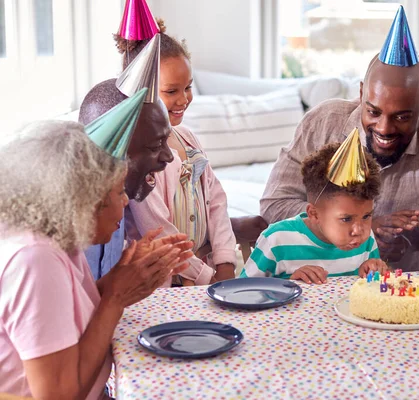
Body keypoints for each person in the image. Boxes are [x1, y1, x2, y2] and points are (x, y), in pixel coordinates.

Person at [260, 6, 419, 271]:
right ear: (362, 92)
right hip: (312, 288)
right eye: (373, 112)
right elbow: (274, 206)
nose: (384, 128)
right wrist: (363, 226)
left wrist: (413, 239)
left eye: (401, 117)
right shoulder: (323, 123)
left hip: (401, 296)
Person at [0, 121, 192, 399]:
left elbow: (68, 318)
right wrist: (115, 297)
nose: (126, 202)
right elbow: (59, 395)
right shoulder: (34, 261)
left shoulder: (58, 238)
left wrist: (128, 278)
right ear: (84, 202)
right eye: (119, 192)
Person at [115, 20, 242, 285]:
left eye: (188, 87)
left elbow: (216, 201)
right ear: (141, 91)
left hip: (204, 275)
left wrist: (225, 261)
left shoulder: (188, 138)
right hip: (164, 281)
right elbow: (158, 230)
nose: (184, 99)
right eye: (172, 91)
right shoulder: (140, 158)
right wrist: (205, 276)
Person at [242, 130, 388, 283]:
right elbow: (243, 291)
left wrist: (373, 271)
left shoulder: (366, 240)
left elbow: (371, 288)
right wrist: (289, 283)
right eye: (346, 219)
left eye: (366, 216)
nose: (358, 230)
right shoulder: (276, 240)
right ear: (314, 214)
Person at [78, 78, 174, 279]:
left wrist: (126, 275)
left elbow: (94, 299)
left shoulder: (112, 205)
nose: (169, 156)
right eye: (155, 146)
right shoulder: (48, 248)